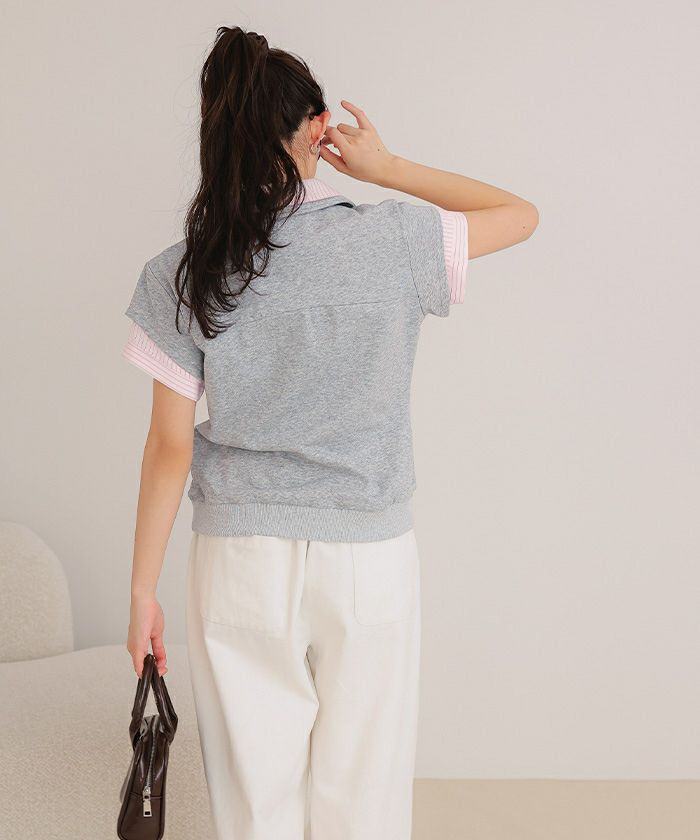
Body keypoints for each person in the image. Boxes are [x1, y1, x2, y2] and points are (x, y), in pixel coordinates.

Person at [123, 25, 538, 840]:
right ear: (317, 130)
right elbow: (519, 214)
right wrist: (388, 169)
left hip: (239, 558)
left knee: (255, 807)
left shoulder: (184, 270)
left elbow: (169, 447)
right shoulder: (393, 240)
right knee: (364, 803)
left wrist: (142, 593)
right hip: (367, 559)